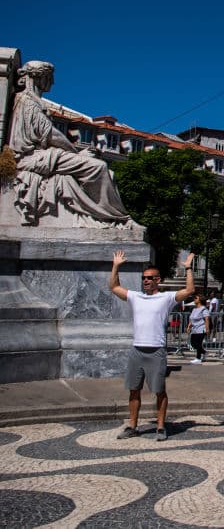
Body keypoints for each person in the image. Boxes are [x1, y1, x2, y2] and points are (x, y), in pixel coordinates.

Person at [9, 61, 136, 227]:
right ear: (40, 78)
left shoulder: (31, 101)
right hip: (32, 157)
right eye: (50, 78)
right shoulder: (28, 102)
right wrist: (77, 153)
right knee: (98, 167)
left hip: (41, 154)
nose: (52, 83)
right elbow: (51, 134)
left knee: (107, 171)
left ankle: (109, 215)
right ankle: (118, 218)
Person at [109, 250, 195, 441]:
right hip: (137, 350)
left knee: (159, 390)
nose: (145, 281)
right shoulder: (135, 297)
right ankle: (132, 425)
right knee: (133, 389)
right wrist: (116, 266)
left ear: (158, 280)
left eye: (149, 278)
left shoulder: (166, 298)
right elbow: (114, 287)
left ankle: (161, 426)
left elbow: (189, 291)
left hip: (156, 351)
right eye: (144, 278)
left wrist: (188, 268)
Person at [188, 295, 211, 364]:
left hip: (201, 329)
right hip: (194, 329)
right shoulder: (194, 309)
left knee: (198, 344)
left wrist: (207, 329)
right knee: (193, 344)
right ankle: (205, 352)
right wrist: (189, 326)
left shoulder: (204, 309)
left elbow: (207, 319)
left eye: (196, 298)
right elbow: (191, 319)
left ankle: (198, 358)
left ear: (200, 300)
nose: (194, 299)